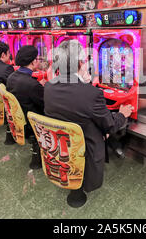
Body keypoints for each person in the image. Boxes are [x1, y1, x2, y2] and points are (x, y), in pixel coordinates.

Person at [44, 40, 133, 199]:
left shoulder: (49, 86)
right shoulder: (92, 94)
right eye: (84, 61)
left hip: (60, 144)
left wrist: (84, 82)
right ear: (79, 63)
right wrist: (122, 114)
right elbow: (110, 125)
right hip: (84, 147)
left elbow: (71, 110)